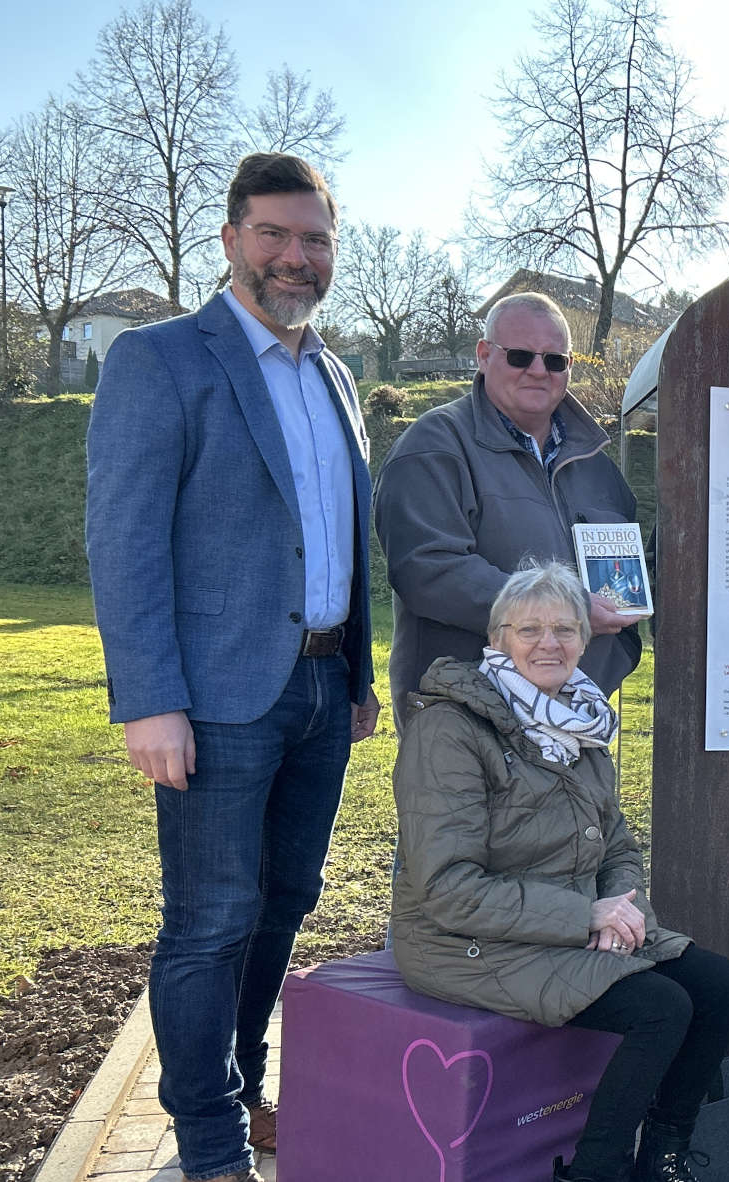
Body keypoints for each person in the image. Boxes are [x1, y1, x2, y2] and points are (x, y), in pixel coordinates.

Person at [85, 152, 379, 1182]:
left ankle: (242, 1085)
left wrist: (356, 679)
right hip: (213, 702)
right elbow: (125, 542)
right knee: (208, 923)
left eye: (315, 240)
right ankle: (209, 1143)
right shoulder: (161, 361)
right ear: (231, 240)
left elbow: (342, 531)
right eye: (275, 235)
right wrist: (152, 701)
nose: (295, 257)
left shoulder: (335, 375)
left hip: (317, 689)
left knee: (287, 900)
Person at [392, 561, 729, 1182]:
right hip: (465, 939)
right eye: (529, 630)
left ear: (585, 639)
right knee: (659, 1008)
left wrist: (616, 910)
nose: (548, 644)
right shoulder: (449, 730)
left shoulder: (577, 718)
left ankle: (662, 1155)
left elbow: (617, 843)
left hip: (569, 918)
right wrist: (585, 916)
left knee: (716, 984)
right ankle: (596, 1172)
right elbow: (445, 890)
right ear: (496, 640)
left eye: (564, 629)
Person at [375, 291, 643, 732]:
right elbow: (427, 571)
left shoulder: (598, 465)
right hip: (467, 726)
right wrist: (564, 611)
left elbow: (628, 578)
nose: (538, 370)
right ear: (484, 355)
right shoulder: (435, 445)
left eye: (554, 360)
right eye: (520, 356)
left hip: (575, 724)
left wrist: (615, 658)